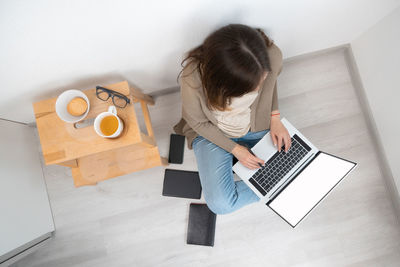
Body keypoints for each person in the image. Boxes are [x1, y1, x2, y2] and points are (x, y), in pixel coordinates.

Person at [173, 24, 291, 214]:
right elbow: (198, 122)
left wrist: (275, 117)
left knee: (290, 159)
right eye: (252, 87)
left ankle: (285, 179)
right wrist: (235, 150)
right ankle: (284, 183)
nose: (258, 89)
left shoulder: (271, 55)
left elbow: (271, 85)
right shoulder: (192, 78)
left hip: (257, 127)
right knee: (221, 204)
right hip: (211, 133)